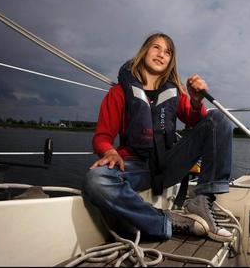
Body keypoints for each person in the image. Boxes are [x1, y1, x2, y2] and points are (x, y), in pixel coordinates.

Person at [83, 32, 233, 242]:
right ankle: (164, 222)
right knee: (95, 180)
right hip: (135, 166)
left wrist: (197, 102)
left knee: (218, 119)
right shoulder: (119, 93)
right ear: (144, 51)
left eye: (168, 51)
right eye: (156, 47)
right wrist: (109, 151)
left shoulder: (176, 92)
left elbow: (194, 121)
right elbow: (102, 136)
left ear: (171, 60)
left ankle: (203, 199)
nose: (161, 54)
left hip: (168, 164)